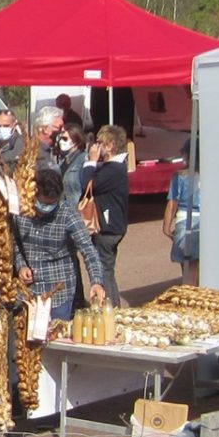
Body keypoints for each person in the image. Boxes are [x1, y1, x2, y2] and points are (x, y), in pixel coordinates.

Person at [12, 167, 107, 321]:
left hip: (58, 293)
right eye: (43, 203)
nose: (47, 209)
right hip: (28, 291)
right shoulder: (20, 212)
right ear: (34, 194)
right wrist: (21, 264)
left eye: (52, 204)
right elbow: (15, 242)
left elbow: (88, 250)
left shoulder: (68, 215)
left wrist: (96, 281)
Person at [83, 124, 131, 306]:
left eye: (100, 143)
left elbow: (88, 184)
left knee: (104, 270)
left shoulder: (113, 169)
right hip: (113, 226)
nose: (97, 147)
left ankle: (110, 307)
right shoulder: (115, 167)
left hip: (108, 227)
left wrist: (91, 162)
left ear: (110, 146)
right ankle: (111, 306)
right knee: (106, 269)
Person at [163, 141, 199, 283]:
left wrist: (166, 226)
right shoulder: (211, 174)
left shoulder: (180, 175)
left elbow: (172, 203)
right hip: (205, 221)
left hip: (185, 221)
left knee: (187, 266)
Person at [57, 120, 89, 208]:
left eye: (65, 139)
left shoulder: (83, 159)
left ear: (76, 140)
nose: (61, 141)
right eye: (61, 138)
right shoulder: (63, 160)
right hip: (63, 209)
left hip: (76, 210)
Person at [32, 104, 65, 177]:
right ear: (45, 129)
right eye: (59, 127)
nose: (63, 130)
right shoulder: (33, 152)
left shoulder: (50, 150)